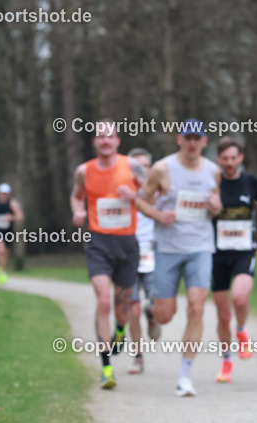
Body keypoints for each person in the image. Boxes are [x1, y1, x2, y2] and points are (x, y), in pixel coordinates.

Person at [136, 119, 222, 397]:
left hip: (200, 247)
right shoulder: (162, 168)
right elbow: (140, 200)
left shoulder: (213, 171)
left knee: (196, 307)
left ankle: (185, 375)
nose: (193, 143)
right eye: (188, 138)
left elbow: (214, 207)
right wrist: (160, 215)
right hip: (168, 248)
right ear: (179, 140)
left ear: (205, 142)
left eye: (198, 138)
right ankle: (153, 311)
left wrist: (215, 207)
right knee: (165, 314)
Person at [70, 121, 144, 389]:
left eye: (109, 136)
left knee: (121, 307)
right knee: (103, 301)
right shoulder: (84, 171)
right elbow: (76, 197)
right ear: (94, 141)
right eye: (100, 136)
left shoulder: (132, 167)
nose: (105, 140)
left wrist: (135, 194)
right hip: (98, 241)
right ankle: (106, 368)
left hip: (127, 243)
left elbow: (152, 194)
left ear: (117, 140)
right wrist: (78, 211)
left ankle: (121, 330)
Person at [211, 137, 257, 384]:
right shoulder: (212, 184)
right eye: (225, 159)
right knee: (222, 316)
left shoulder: (251, 182)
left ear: (240, 158)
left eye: (234, 158)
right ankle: (226, 360)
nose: (230, 163)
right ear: (219, 160)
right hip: (216, 254)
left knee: (240, 297)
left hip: (244, 251)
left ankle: (241, 330)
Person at [127, 147, 160, 375]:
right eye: (136, 165)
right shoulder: (122, 192)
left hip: (153, 253)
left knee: (156, 305)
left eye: (145, 165)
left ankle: (153, 315)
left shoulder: (160, 193)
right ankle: (138, 357)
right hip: (127, 253)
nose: (141, 169)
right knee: (132, 309)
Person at [0, 183, 24, 285]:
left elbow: (20, 216)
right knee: (0, 249)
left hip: (8, 230)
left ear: (8, 194)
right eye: (2, 193)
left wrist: (12, 217)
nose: (3, 195)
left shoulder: (12, 204)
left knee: (5, 252)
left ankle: (2, 268)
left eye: (6, 194)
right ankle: (2, 272)